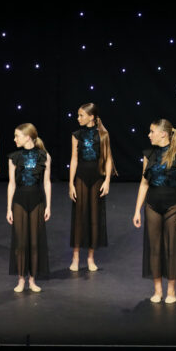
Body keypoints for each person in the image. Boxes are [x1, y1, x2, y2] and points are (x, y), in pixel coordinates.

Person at [133, 120, 176, 303]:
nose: (149, 135)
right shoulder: (148, 155)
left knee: (172, 247)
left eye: (152, 132)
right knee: (154, 247)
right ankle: (158, 290)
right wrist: (137, 210)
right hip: (152, 206)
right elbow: (144, 184)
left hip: (173, 207)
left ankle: (171, 291)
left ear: (163, 134)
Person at [69, 103, 116, 272]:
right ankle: (75, 257)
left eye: (81, 115)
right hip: (81, 177)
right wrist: (71, 183)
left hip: (97, 178)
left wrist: (107, 180)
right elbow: (74, 159)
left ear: (91, 117)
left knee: (95, 216)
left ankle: (90, 257)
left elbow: (108, 158)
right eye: (78, 115)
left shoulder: (103, 134)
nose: (78, 118)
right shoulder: (77, 135)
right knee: (79, 216)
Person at [6, 124, 51, 293]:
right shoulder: (14, 157)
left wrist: (48, 206)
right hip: (19, 201)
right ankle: (21, 279)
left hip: (37, 201)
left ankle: (32, 279)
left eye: (17, 136)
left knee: (34, 242)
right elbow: (11, 184)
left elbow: (47, 183)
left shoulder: (44, 156)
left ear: (27, 137)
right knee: (20, 242)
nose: (14, 139)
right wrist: (9, 208)